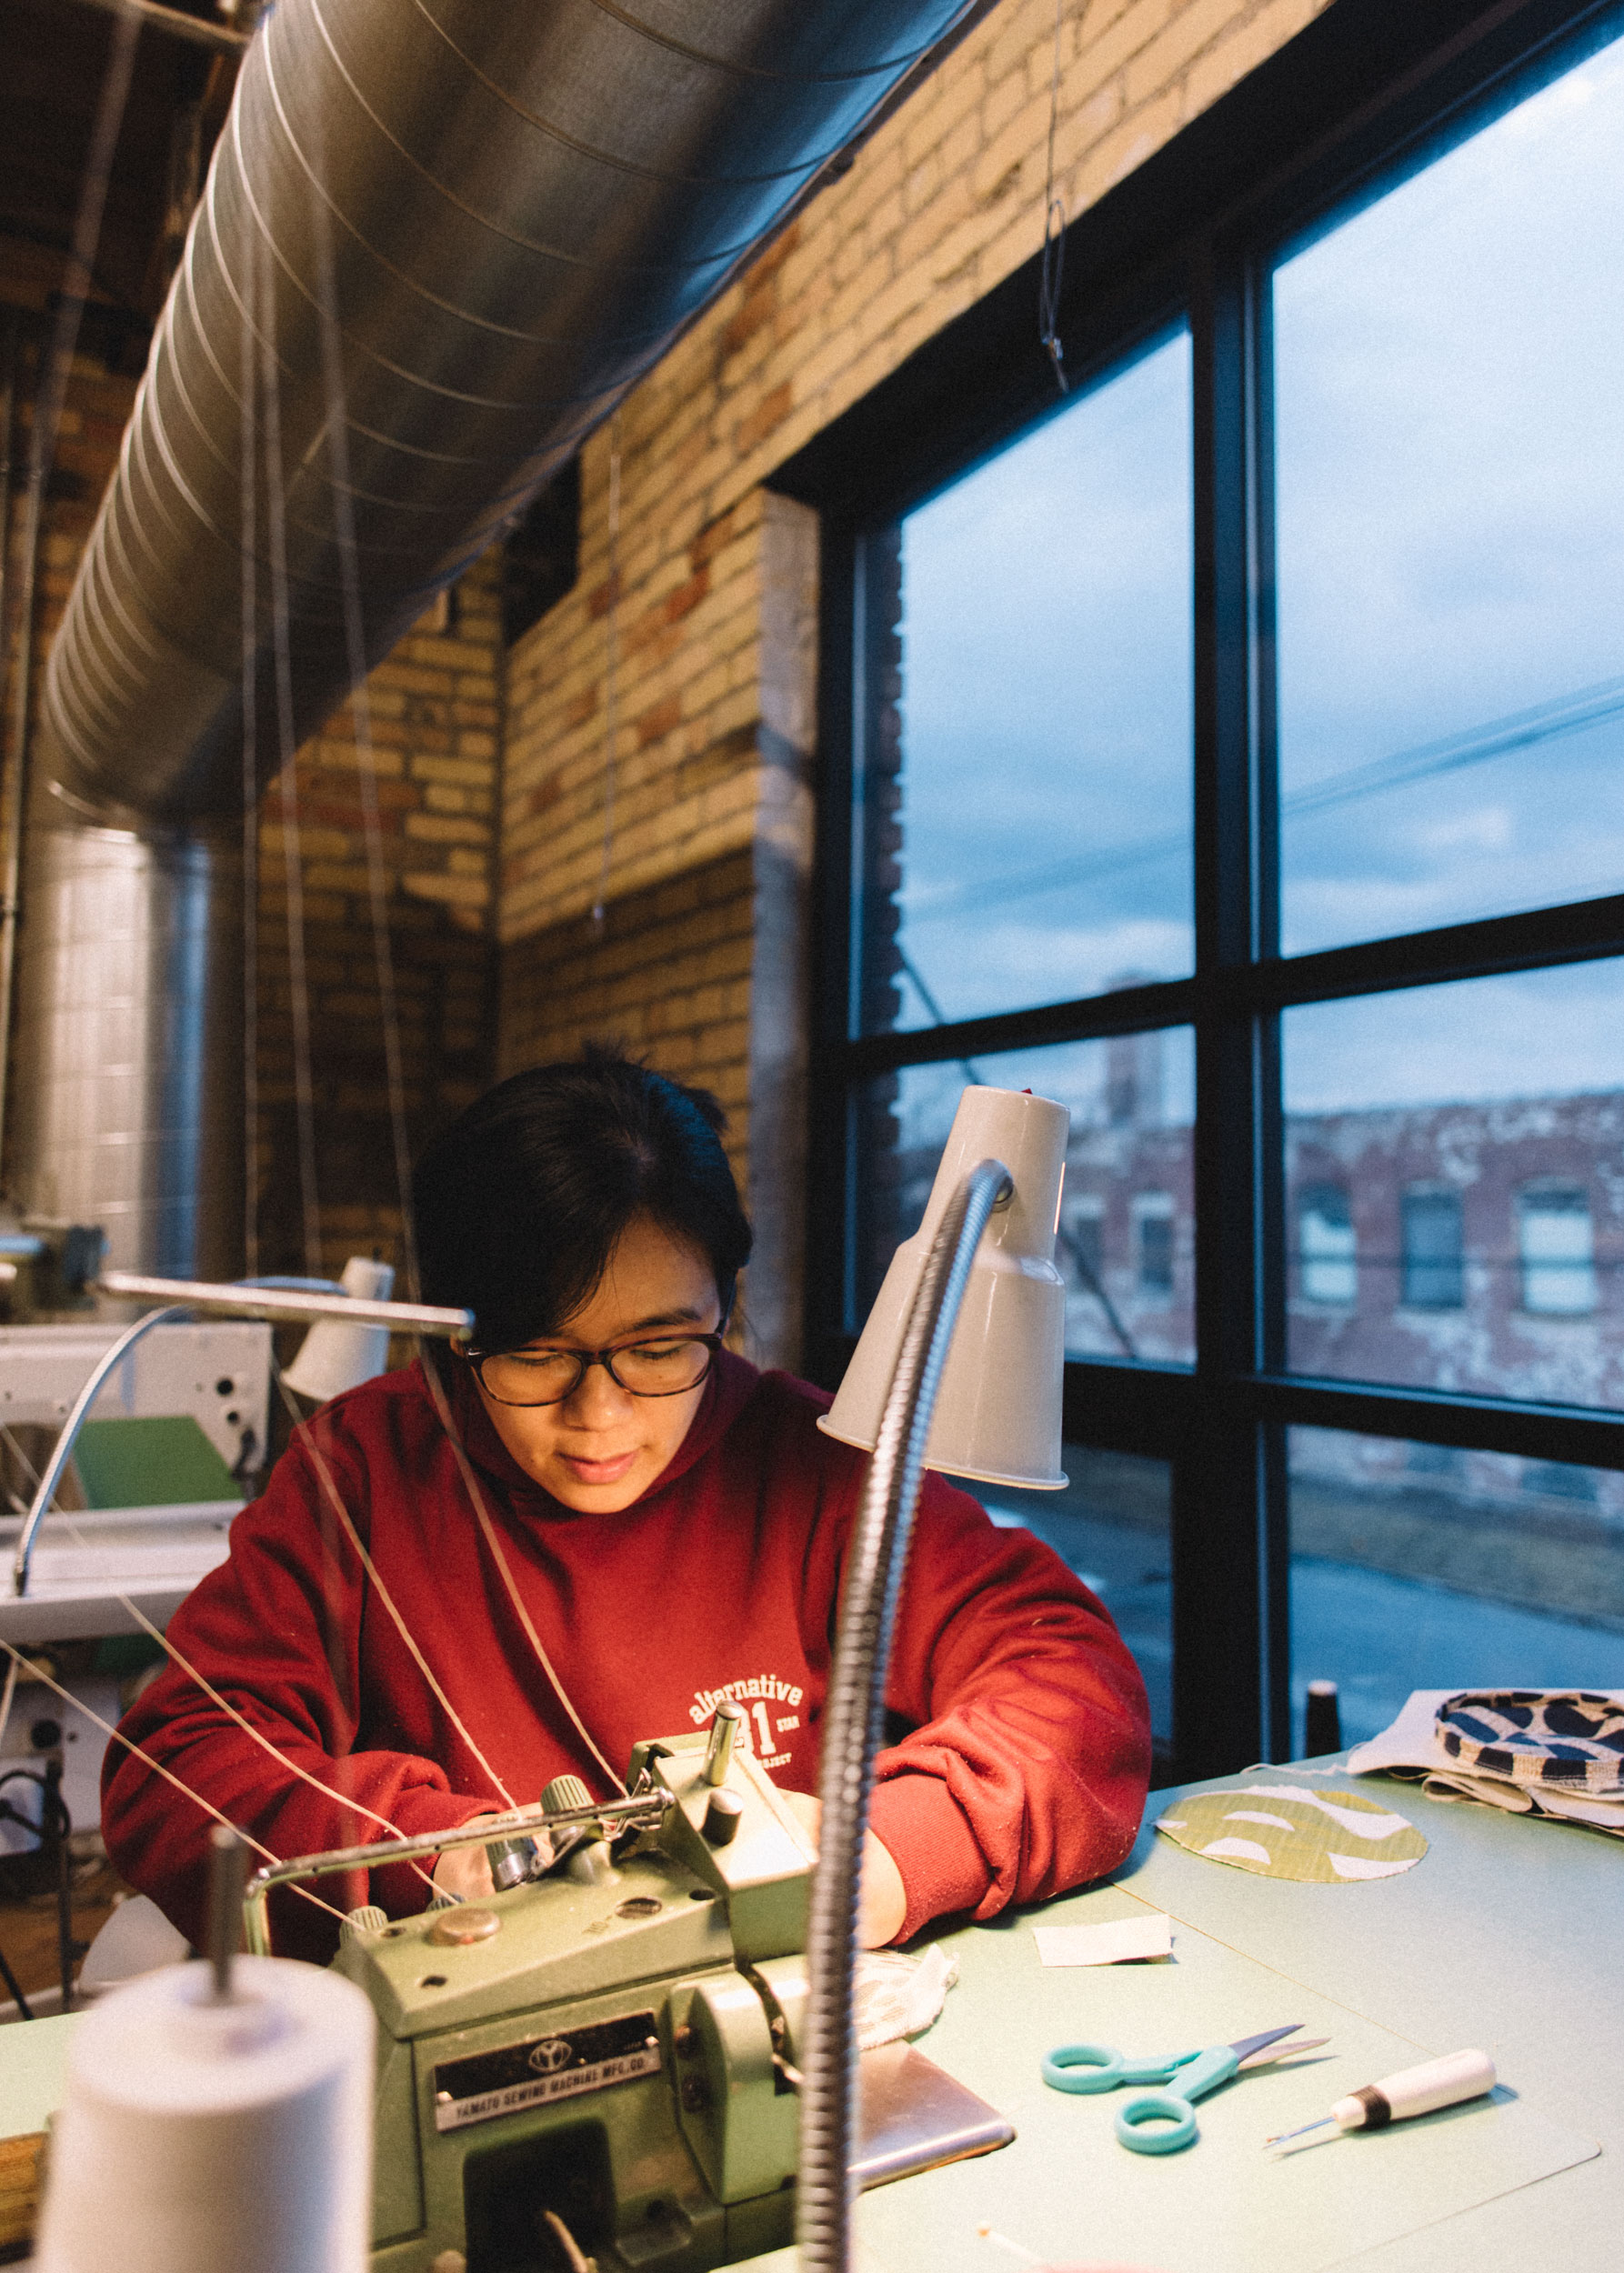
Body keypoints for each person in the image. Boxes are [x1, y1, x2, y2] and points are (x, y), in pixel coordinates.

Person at [104, 1052, 1150, 1959]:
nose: (597, 1416)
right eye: (536, 1352)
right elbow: (178, 1766)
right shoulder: (367, 1470)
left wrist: (884, 1852)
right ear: (456, 1333)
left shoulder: (813, 1465)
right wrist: (439, 1856)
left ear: (724, 1308)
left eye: (657, 1347)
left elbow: (1071, 1683)